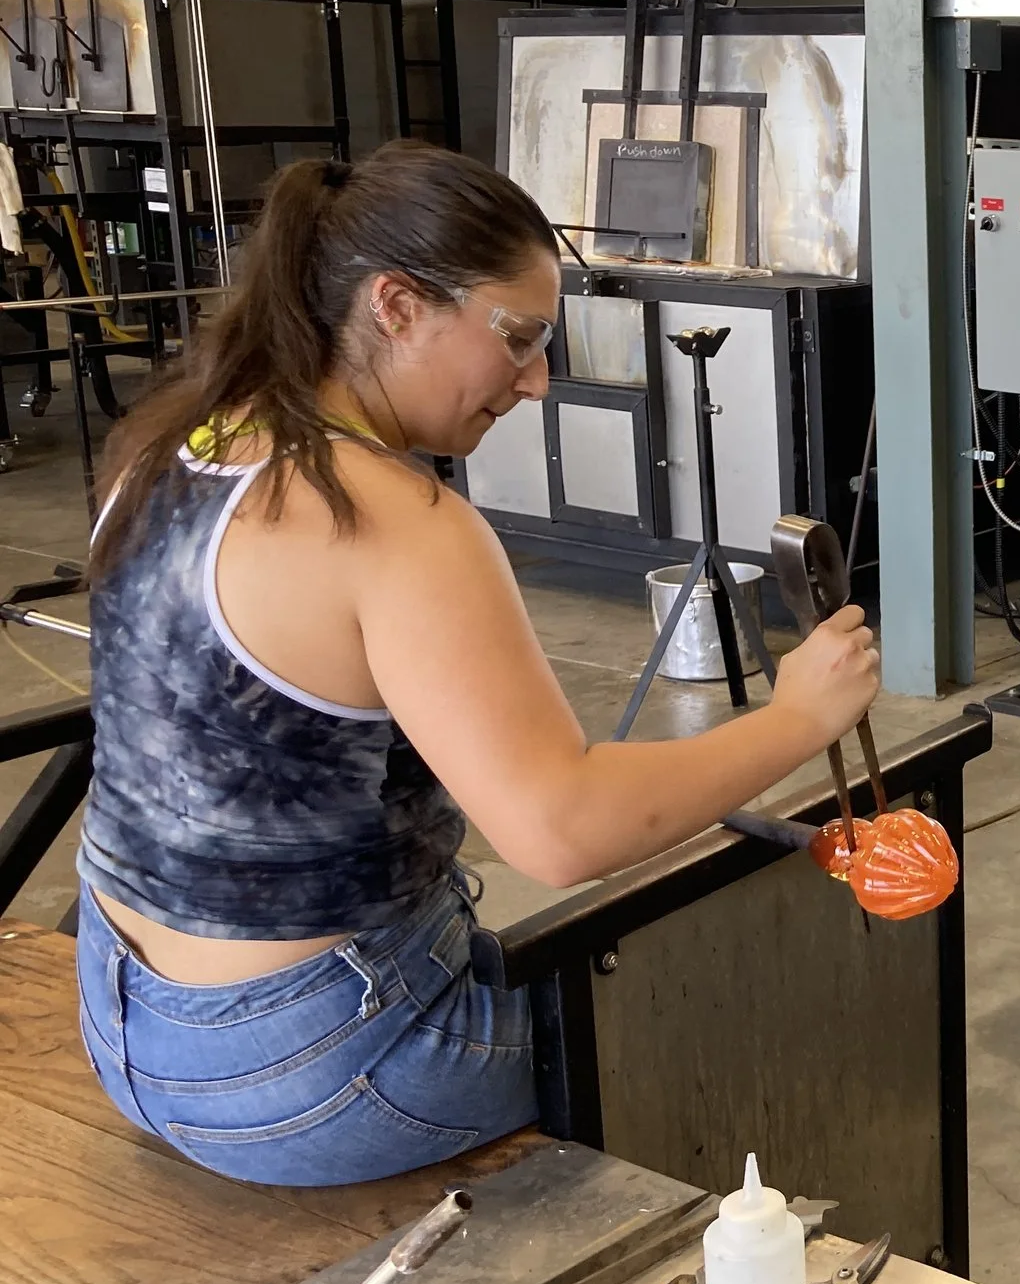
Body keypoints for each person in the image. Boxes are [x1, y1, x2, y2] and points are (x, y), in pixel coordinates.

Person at [75, 142, 881, 1189]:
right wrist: (796, 717)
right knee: (729, 1025)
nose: (537, 381)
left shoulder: (170, 447)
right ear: (398, 305)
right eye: (517, 338)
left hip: (129, 1016)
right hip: (315, 1067)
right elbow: (562, 827)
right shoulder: (399, 525)